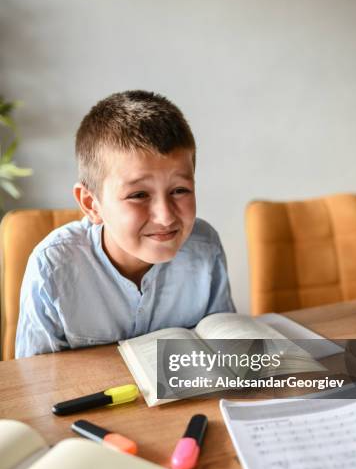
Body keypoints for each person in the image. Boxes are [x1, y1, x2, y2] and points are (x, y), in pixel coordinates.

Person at [15, 90, 235, 358]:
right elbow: (34, 384)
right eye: (139, 195)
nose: (165, 217)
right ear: (91, 204)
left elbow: (224, 343)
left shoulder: (205, 246)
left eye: (180, 190)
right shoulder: (51, 267)